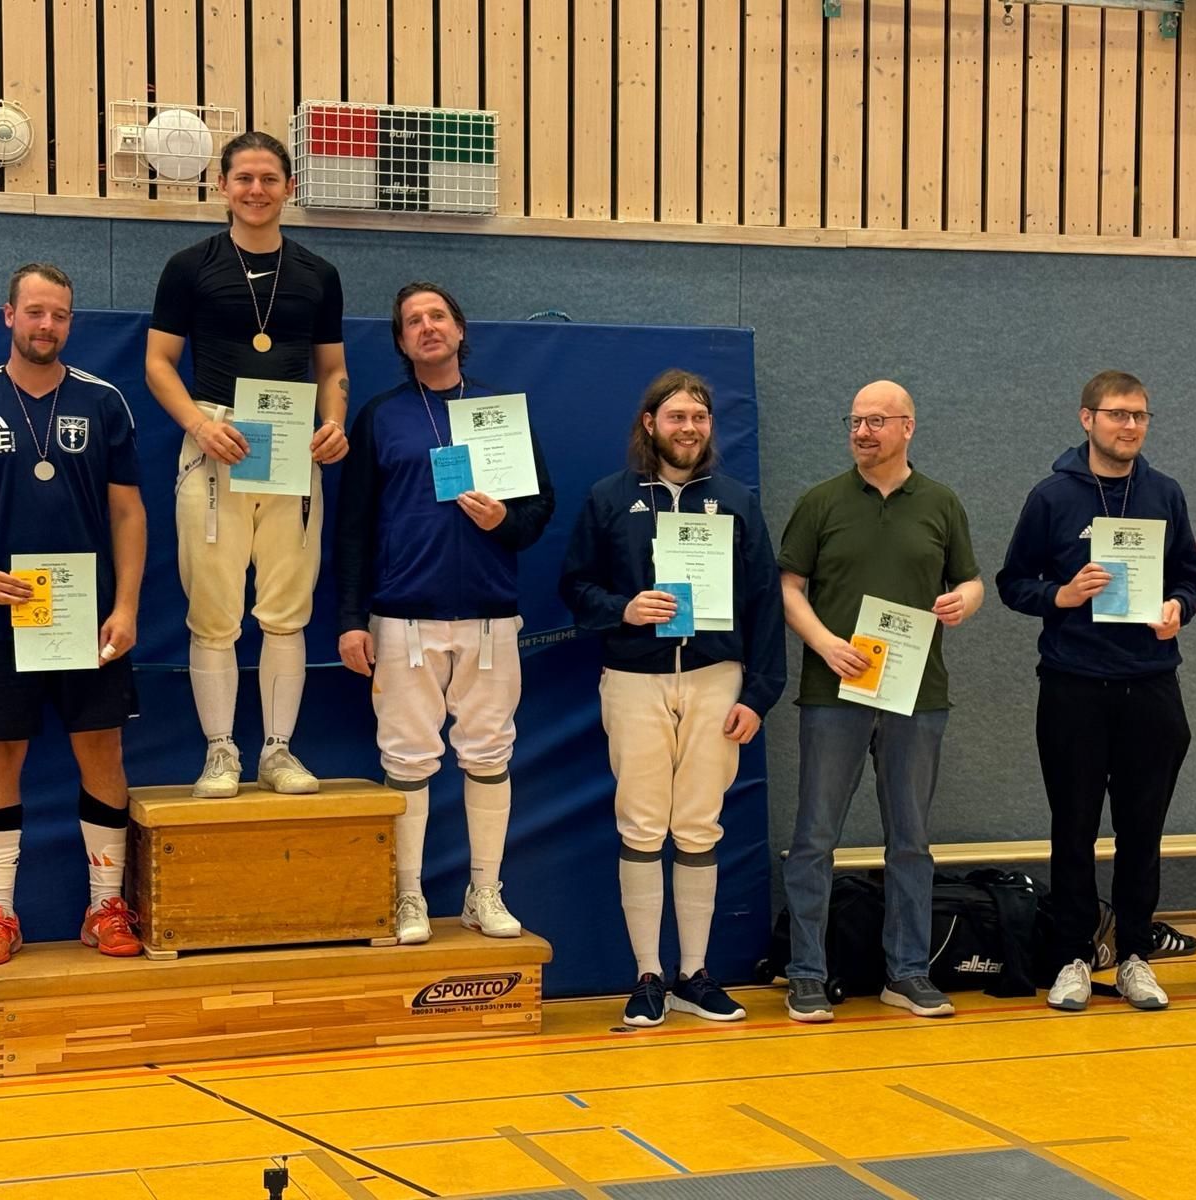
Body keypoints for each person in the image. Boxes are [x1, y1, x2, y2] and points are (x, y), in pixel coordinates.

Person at [0, 263, 147, 967]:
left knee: (102, 751)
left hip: (86, 615)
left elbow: (128, 511)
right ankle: (0, 914)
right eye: (35, 312)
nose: (46, 325)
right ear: (9, 316)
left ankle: (105, 906)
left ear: (70, 323)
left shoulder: (104, 401)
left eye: (59, 315)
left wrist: (126, 606)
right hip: (0, 615)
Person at [559, 369, 786, 1026]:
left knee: (698, 826)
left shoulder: (736, 502)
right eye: (677, 417)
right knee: (640, 825)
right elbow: (575, 587)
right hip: (635, 680)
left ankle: (694, 973)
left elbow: (765, 603)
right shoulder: (610, 498)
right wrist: (623, 609)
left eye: (700, 417)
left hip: (717, 679)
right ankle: (647, 976)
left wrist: (759, 696)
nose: (689, 428)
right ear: (650, 423)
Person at [335, 281, 554, 943]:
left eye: (438, 316)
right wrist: (350, 618)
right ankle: (408, 895)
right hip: (403, 616)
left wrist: (502, 521)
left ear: (459, 330)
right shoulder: (381, 416)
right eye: (413, 321)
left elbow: (539, 513)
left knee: (488, 754)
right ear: (402, 342)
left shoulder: (498, 413)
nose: (427, 326)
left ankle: (484, 891)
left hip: (490, 616)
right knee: (406, 760)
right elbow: (352, 527)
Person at [145, 130, 349, 799]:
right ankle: (220, 752)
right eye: (243, 179)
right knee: (213, 611)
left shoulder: (319, 274)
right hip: (215, 439)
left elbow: (332, 368)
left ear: (290, 187)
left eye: (268, 179)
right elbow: (158, 363)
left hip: (292, 446)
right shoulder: (188, 266)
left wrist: (334, 424)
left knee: (287, 610)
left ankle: (278, 751)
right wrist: (200, 425)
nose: (256, 190)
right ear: (223, 186)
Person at [777, 380, 983, 1023]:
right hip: (833, 693)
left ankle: (909, 972)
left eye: (876, 421)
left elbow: (971, 580)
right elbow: (788, 586)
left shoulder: (941, 503)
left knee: (912, 841)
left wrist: (964, 602)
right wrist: (824, 643)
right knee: (814, 838)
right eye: (855, 422)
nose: (862, 432)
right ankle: (806, 974)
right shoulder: (820, 502)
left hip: (916, 694)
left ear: (907, 428)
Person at [996, 370, 1196, 1013]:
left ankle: (1135, 954)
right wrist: (1060, 594)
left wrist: (1178, 606)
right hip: (1074, 688)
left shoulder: (1164, 493)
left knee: (1142, 831)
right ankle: (1072, 958)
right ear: (1087, 419)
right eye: (1117, 414)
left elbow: (1189, 576)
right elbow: (1012, 582)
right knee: (1074, 829)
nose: (1130, 426)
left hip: (1151, 686)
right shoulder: (1052, 496)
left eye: (1139, 415)